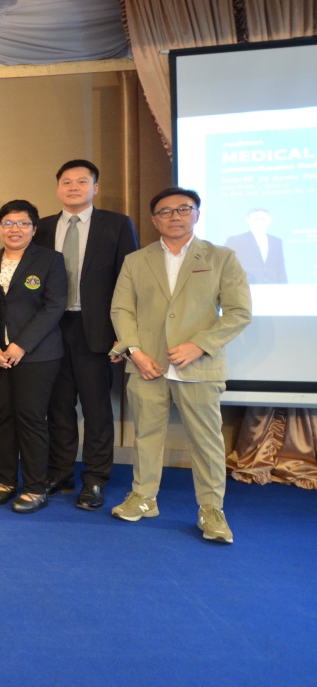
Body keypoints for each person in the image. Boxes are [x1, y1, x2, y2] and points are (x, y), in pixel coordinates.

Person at [110, 187, 251, 543]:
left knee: (206, 442)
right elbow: (121, 309)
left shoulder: (221, 257)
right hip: (147, 364)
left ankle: (211, 510)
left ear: (197, 214)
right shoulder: (136, 260)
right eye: (165, 211)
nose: (174, 216)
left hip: (199, 366)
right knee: (146, 437)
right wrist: (135, 351)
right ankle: (143, 497)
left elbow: (238, 312)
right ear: (154, 220)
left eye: (183, 209)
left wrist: (199, 345)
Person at [32, 159, 139, 511]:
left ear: (95, 187)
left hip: (97, 330)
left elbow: (129, 282)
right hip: (51, 328)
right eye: (67, 182)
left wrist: (123, 335)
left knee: (96, 409)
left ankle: (95, 478)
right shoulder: (42, 227)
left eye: (82, 181)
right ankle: (61, 472)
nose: (73, 187)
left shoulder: (117, 224)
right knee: (58, 406)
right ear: (57, 188)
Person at [0, 200, 67, 514]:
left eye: (22, 223)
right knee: (2, 418)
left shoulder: (50, 260)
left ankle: (34, 487)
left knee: (31, 419)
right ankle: (6, 481)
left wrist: (20, 345)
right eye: (8, 223)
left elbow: (53, 307)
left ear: (34, 228)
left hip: (37, 355)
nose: (14, 229)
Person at [224, 208, 287, 284]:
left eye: (263, 219)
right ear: (248, 221)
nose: (259, 222)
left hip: (272, 285)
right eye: (256, 219)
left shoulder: (276, 241)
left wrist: (284, 286)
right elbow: (226, 264)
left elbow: (280, 267)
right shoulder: (236, 240)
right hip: (244, 285)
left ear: (269, 221)